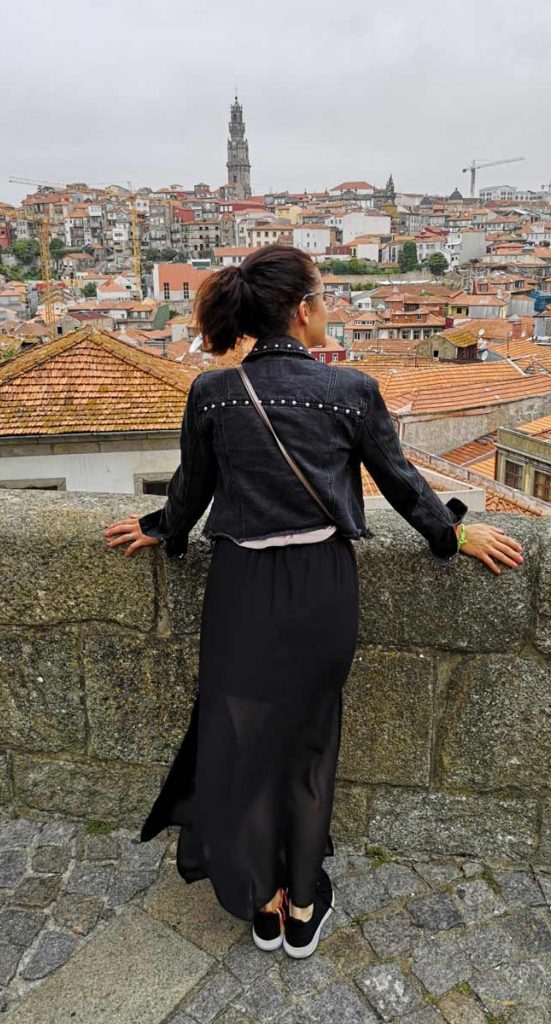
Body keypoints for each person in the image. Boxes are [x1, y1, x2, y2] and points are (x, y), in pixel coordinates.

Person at [103, 245, 524, 959]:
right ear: (302, 311)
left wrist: (160, 528)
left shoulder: (213, 392)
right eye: (323, 297)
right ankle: (301, 904)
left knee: (242, 743)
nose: (328, 309)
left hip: (240, 589)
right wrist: (454, 534)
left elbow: (191, 491)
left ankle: (260, 899)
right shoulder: (350, 389)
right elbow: (400, 482)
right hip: (321, 588)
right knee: (308, 743)